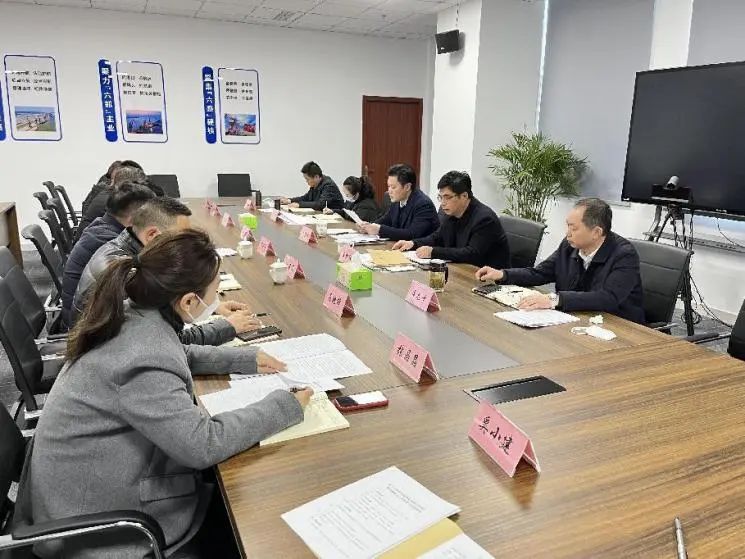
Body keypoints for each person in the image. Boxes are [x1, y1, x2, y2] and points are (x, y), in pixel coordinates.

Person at [15, 229, 313, 558]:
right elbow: (203, 444)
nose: (216, 301)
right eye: (215, 292)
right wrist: (284, 405)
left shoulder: (135, 313)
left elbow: (176, 352)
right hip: (97, 525)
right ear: (188, 301)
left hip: (83, 485)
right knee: (248, 512)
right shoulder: (143, 352)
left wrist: (244, 359)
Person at [72, 197, 257, 345]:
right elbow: (170, 341)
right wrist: (227, 327)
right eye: (180, 239)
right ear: (153, 235)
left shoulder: (131, 254)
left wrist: (209, 306)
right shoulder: (128, 276)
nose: (186, 246)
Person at [475, 198, 645, 323]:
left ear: (596, 232)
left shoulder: (624, 255)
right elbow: (540, 273)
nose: (567, 233)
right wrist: (503, 274)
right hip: (575, 319)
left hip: (619, 327)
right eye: (567, 226)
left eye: (574, 228)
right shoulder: (569, 246)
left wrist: (554, 300)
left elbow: (608, 298)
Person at [60, 181, 155, 329]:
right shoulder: (108, 242)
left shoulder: (103, 226)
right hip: (78, 330)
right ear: (134, 218)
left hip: (81, 319)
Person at [392, 171, 510, 268]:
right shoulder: (451, 213)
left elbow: (472, 254)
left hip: (488, 278)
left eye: (447, 197)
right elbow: (437, 237)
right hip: (461, 270)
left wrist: (433, 252)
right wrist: (413, 243)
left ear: (464, 196)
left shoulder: (485, 219)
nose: (443, 203)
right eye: (440, 197)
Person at [76, 161, 163, 243]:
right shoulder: (114, 201)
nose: (140, 190)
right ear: (129, 185)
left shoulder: (109, 195)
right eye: (139, 186)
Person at [357, 163, 439, 241]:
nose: (389, 191)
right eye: (388, 186)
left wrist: (379, 230)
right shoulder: (398, 199)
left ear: (407, 187)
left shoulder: (423, 204)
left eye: (393, 187)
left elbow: (412, 234)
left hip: (420, 249)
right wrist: (368, 226)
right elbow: (386, 220)